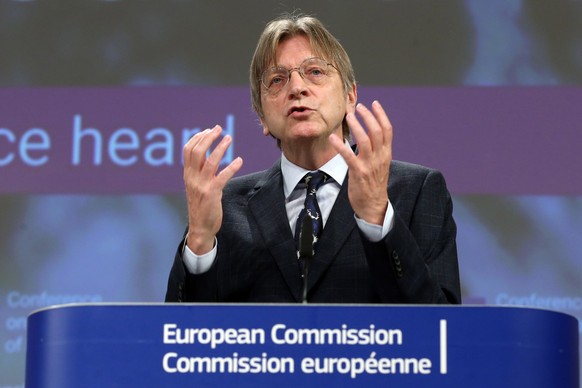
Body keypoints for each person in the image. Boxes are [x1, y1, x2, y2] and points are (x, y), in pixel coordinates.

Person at [165, 14, 461, 304]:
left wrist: (377, 218)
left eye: (315, 72)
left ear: (350, 96)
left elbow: (443, 328)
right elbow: (180, 337)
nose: (297, 88)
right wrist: (200, 242)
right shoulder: (226, 205)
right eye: (277, 80)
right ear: (261, 116)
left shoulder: (416, 191)